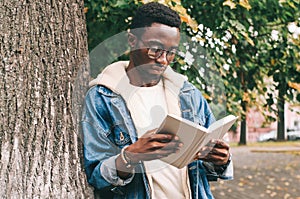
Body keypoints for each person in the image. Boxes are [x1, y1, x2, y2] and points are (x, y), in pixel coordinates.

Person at [81, 2, 233, 199]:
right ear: (132, 40)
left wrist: (222, 160)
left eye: (171, 53)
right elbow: (95, 174)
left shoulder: (188, 94)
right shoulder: (102, 97)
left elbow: (208, 170)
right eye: (155, 49)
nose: (163, 60)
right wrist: (129, 157)